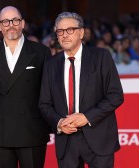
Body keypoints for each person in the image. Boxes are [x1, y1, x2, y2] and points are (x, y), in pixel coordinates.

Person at [39, 12, 124, 168]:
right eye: (60, 31)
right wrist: (59, 122)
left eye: (70, 30)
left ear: (81, 32)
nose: (64, 35)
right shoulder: (51, 64)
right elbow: (44, 104)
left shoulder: (101, 57)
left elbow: (115, 95)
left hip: (99, 138)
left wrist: (87, 117)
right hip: (66, 140)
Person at [0, 6, 51, 168]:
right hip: (2, 130)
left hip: (32, 130)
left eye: (15, 20)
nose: (11, 25)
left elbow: (48, 89)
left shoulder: (41, 52)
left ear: (22, 23)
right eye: (5, 21)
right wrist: (2, 101)